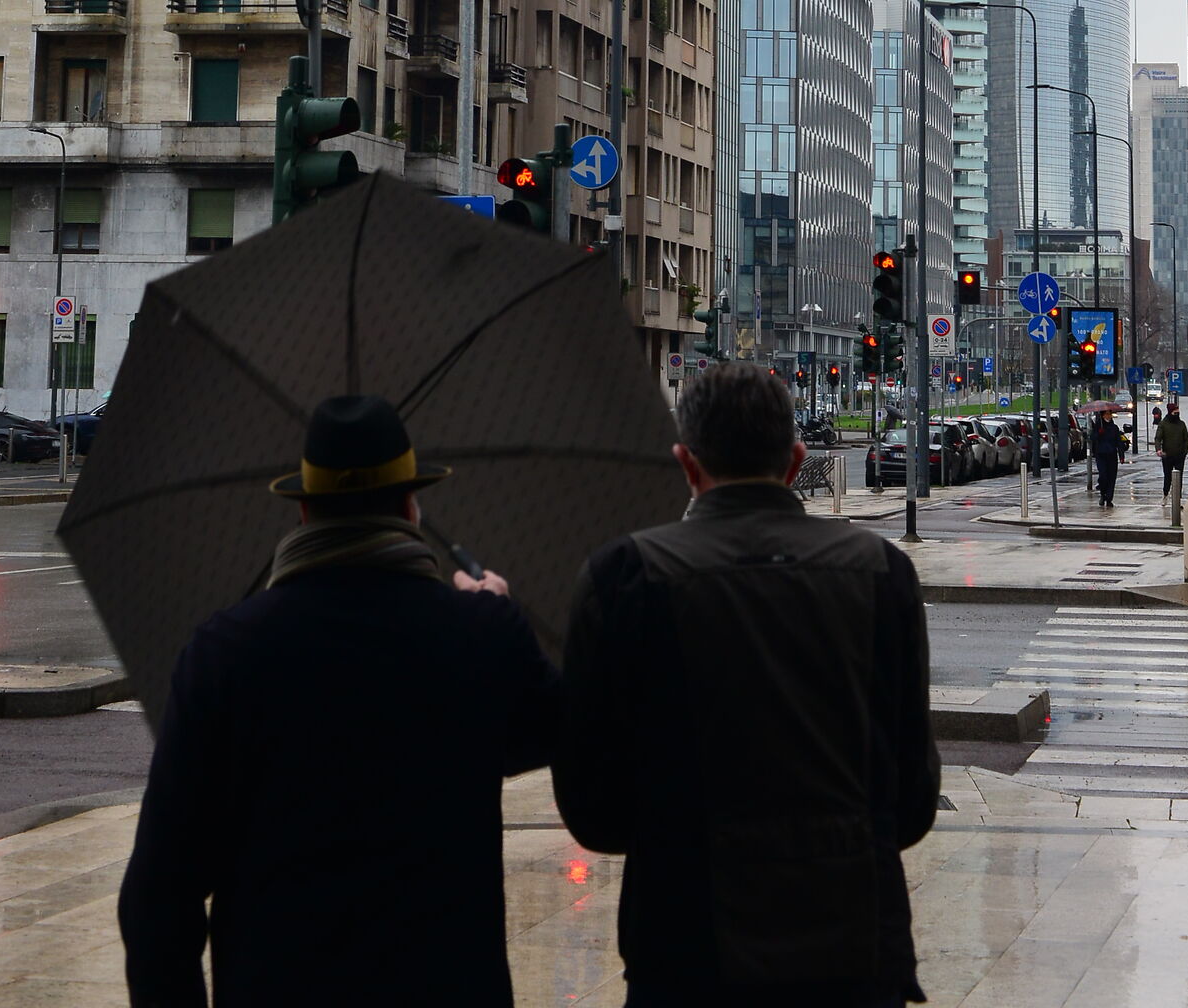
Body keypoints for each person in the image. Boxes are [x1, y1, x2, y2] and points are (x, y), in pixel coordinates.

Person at [118, 394, 557, 1008]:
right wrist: (498, 617)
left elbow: (158, 899)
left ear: (302, 512)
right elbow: (537, 737)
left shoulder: (226, 653)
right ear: (410, 506)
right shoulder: (481, 635)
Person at [555, 361, 940, 1008]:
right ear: (793, 461)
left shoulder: (625, 577)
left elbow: (594, 810)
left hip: (684, 946)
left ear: (686, 463)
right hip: (851, 945)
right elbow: (910, 801)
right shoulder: (881, 574)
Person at [1091, 406, 1128, 509]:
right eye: (1106, 414)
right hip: (1101, 455)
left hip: (1112, 456)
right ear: (1102, 415)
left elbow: (1119, 442)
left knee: (1112, 478)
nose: (1108, 416)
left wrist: (1121, 455)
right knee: (1103, 476)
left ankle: (1109, 498)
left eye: (1109, 414)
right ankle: (1103, 494)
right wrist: (1099, 433)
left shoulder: (1114, 428)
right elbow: (1092, 438)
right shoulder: (1098, 427)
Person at [1155, 401, 1188, 504]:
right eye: (1175, 412)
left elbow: (1186, 439)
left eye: (1178, 412)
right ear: (1170, 412)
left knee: (1179, 478)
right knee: (1167, 476)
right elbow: (1158, 438)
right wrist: (1158, 449)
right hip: (1167, 455)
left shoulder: (1181, 424)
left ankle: (1177, 499)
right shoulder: (1163, 424)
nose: (1177, 414)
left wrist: (1184, 452)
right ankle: (1165, 494)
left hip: (1179, 455)